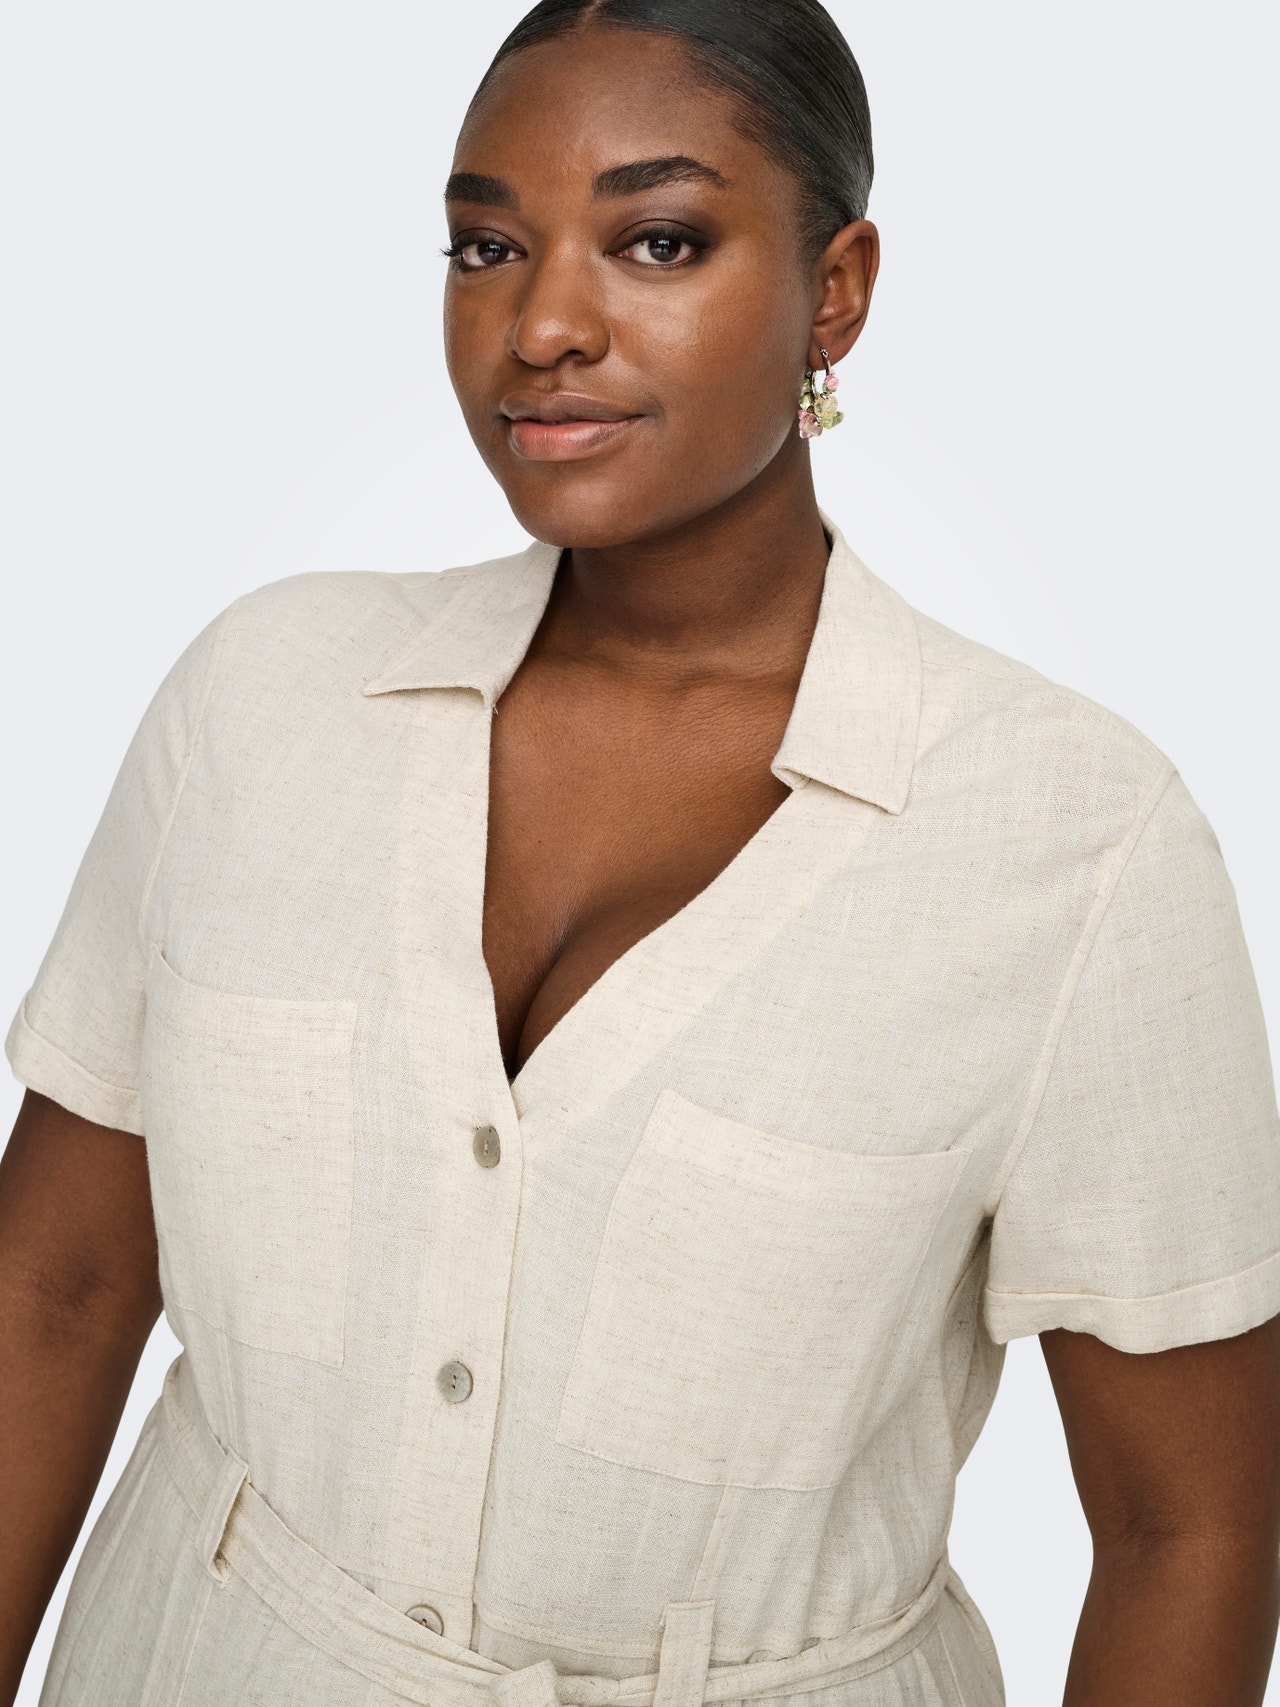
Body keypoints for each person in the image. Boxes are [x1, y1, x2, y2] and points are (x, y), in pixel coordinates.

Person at [3, 1, 1279, 1702]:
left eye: (658, 242)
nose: (540, 326)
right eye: (487, 246)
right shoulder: (265, 697)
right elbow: (60, 1288)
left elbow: (1189, 1526)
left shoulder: (1077, 847)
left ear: (836, 290)